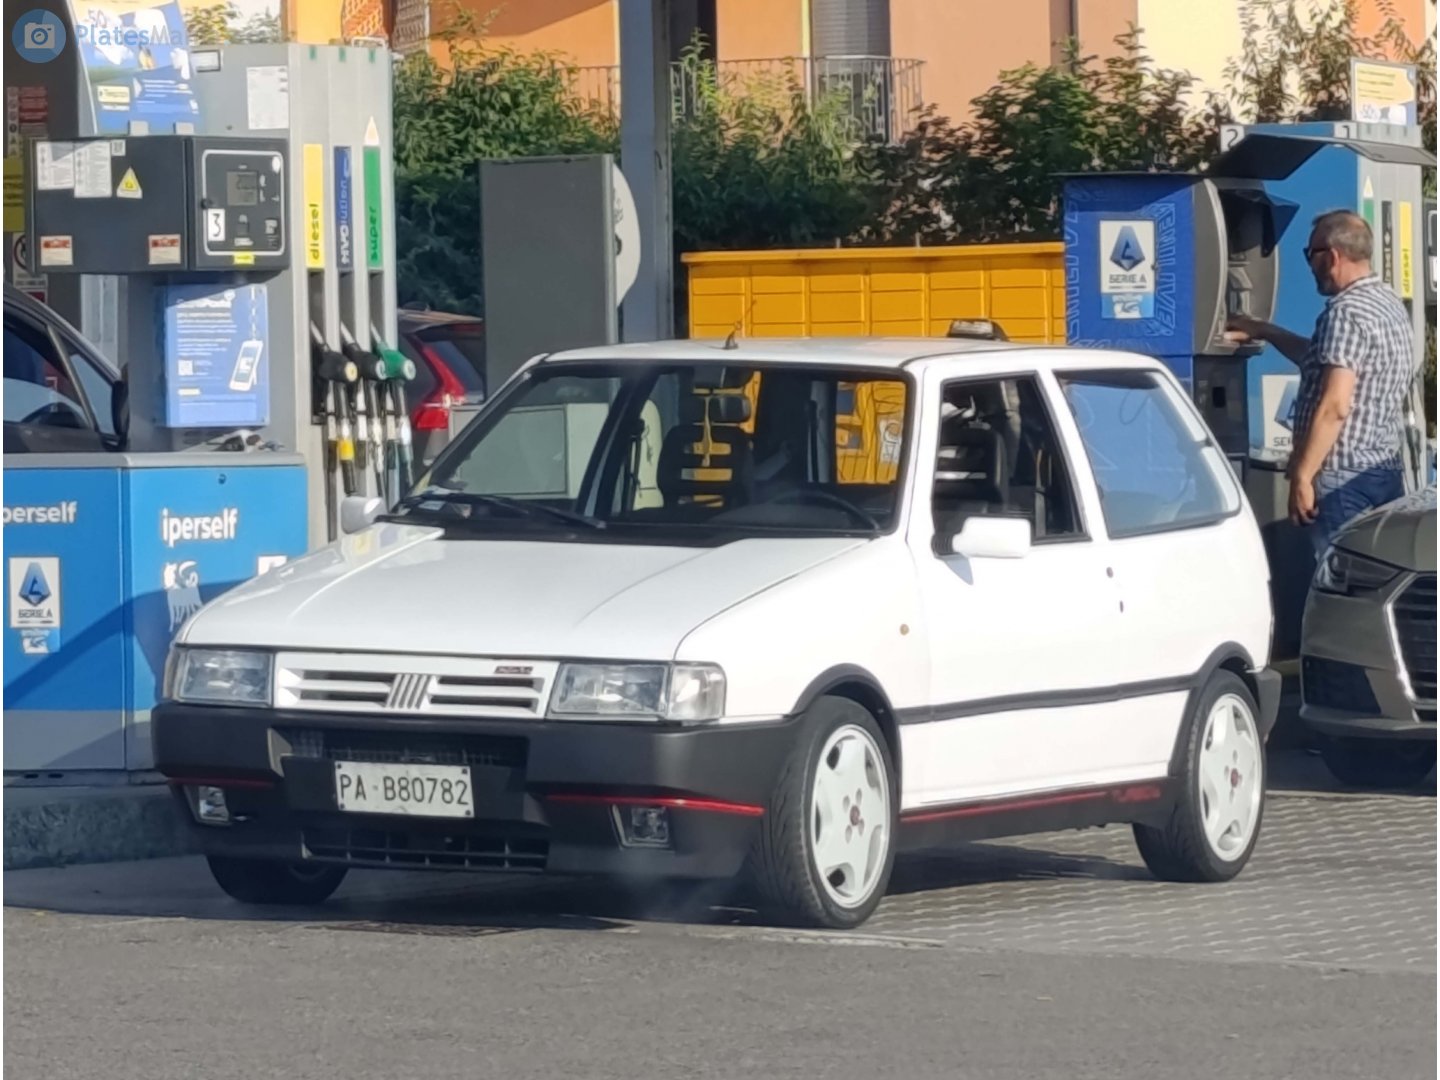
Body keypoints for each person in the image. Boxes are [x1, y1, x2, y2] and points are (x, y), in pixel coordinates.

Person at [1226, 209, 1416, 555]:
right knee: (1374, 573)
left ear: (1331, 256)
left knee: (1339, 580)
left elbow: (1335, 405)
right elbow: (1318, 358)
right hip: (1383, 469)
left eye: (1309, 255)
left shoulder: (1344, 313)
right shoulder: (1387, 303)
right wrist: (1263, 330)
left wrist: (1302, 474)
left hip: (1342, 475)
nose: (1309, 265)